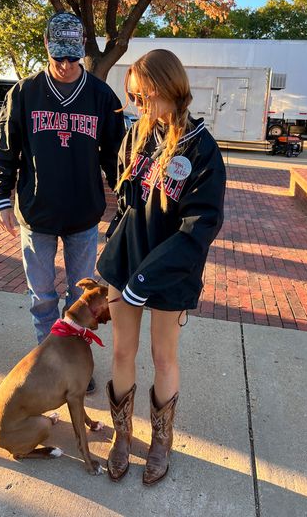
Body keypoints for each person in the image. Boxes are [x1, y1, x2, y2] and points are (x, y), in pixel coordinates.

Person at [97, 49, 226, 485]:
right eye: (131, 97)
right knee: (121, 351)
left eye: (142, 96)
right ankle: (122, 434)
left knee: (163, 355)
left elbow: (198, 227)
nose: (135, 105)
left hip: (170, 271)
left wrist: (147, 279)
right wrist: (115, 249)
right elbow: (124, 198)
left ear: (168, 89)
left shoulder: (203, 150)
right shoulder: (136, 137)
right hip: (126, 263)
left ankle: (161, 440)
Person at [0, 12, 124, 393]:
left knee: (81, 298)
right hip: (37, 214)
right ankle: (49, 362)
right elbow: (5, 148)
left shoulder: (100, 96)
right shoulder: (25, 93)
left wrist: (125, 199)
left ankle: (78, 365)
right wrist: (0, 196)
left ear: (82, 50)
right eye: (58, 56)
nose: (65, 65)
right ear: (46, 46)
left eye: (72, 57)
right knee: (42, 296)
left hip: (83, 215)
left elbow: (115, 155)